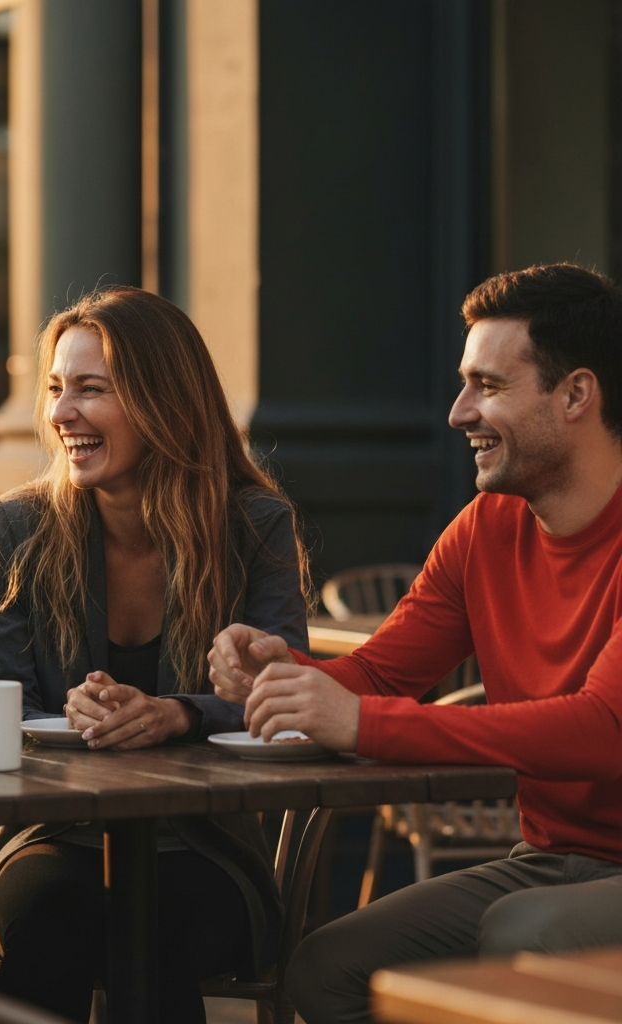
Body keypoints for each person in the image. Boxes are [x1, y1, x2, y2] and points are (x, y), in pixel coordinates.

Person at [208, 262, 622, 1024]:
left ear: (575, 396)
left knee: (525, 933)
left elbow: (603, 730)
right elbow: (380, 672)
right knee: (326, 970)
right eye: (464, 385)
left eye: (489, 386)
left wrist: (360, 723)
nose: (460, 411)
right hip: (550, 861)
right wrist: (288, 672)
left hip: (573, 888)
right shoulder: (486, 530)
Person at [0, 286, 310, 1024]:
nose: (60, 414)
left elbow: (289, 702)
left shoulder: (255, 525)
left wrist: (177, 714)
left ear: (165, 402)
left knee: (147, 922)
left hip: (206, 846)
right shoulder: (19, 527)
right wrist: (69, 713)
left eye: (92, 390)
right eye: (57, 388)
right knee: (59, 913)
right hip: (51, 835)